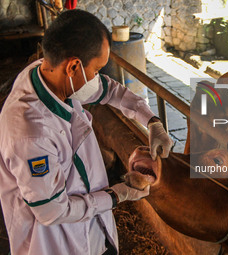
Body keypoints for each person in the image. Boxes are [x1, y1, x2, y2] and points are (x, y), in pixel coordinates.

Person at [0, 9, 173, 255]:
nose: (97, 77)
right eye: (96, 70)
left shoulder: (49, 73)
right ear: (73, 66)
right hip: (59, 243)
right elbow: (52, 211)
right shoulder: (31, 133)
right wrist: (117, 195)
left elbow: (110, 90)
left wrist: (152, 121)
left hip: (93, 227)